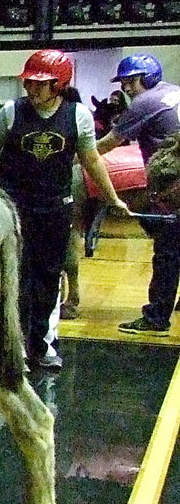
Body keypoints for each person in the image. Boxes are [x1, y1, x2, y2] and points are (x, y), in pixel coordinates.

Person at [0, 49, 128, 370]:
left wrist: (112, 198)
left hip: (56, 209)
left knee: (48, 278)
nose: (31, 89)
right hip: (14, 209)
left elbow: (91, 159)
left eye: (40, 84)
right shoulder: (11, 112)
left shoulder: (78, 116)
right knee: (16, 278)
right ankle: (14, 348)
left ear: (59, 84)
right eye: (28, 82)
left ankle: (43, 345)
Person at [95, 54, 180, 335]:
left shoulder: (145, 103)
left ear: (147, 78)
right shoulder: (174, 92)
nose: (127, 89)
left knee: (167, 251)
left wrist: (72, 157)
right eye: (124, 83)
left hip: (173, 187)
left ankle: (156, 318)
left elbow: (107, 144)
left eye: (131, 82)